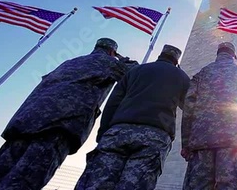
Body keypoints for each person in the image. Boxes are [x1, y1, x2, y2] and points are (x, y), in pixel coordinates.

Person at [0, 38, 137, 190]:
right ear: (112, 51)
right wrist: (124, 60)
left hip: (26, 122)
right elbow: (135, 74)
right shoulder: (109, 63)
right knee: (24, 179)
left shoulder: (70, 62)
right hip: (60, 124)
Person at [75, 44, 190, 190]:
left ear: (160, 55)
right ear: (176, 60)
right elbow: (190, 109)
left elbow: (113, 102)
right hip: (155, 136)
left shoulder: (135, 71)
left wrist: (103, 132)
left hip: (118, 132)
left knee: (95, 182)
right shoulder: (181, 77)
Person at [181, 42, 237, 190]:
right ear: (234, 54)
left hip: (201, 144)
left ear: (217, 54)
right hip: (234, 143)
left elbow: (188, 108)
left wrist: (186, 144)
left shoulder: (202, 73)